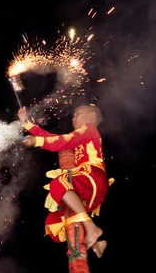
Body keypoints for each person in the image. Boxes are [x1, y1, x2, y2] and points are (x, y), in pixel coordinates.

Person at [18, 105, 112, 257]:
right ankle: (96, 243)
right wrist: (27, 124)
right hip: (89, 187)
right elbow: (52, 138)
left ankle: (91, 228)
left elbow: (63, 140)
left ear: (92, 117)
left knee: (58, 184)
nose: (74, 118)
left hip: (92, 176)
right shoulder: (81, 135)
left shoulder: (89, 129)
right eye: (73, 116)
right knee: (55, 219)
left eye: (78, 113)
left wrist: (37, 141)